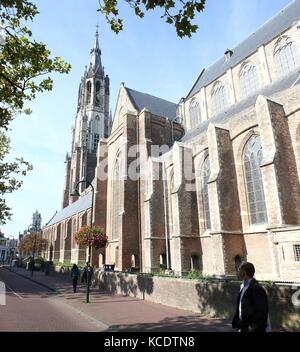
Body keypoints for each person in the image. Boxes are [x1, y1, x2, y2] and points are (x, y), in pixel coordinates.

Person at [232, 262, 270, 332]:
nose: (237, 272)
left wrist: (254, 327)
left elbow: (262, 311)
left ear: (244, 272)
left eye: (239, 270)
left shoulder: (256, 288)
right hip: (243, 326)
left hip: (252, 328)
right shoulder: (243, 286)